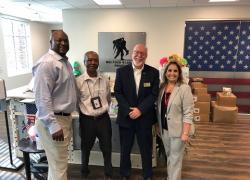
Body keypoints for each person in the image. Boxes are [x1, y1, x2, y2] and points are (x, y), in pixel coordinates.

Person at [32, 30, 77, 180]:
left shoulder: (65, 62)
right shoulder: (47, 63)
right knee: (59, 167)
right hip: (55, 121)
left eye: (66, 40)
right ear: (50, 42)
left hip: (63, 119)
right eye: (59, 40)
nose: (63, 43)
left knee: (57, 165)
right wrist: (53, 125)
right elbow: (42, 98)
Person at [114, 44, 159, 180]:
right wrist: (129, 110)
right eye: (136, 52)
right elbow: (117, 92)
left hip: (144, 118)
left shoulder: (153, 72)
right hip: (126, 118)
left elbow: (153, 94)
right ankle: (125, 174)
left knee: (146, 150)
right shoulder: (121, 71)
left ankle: (147, 175)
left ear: (146, 55)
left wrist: (140, 110)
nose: (139, 55)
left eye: (142, 53)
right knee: (125, 149)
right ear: (131, 53)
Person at [76, 51, 113, 180]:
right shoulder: (78, 81)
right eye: (89, 60)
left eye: (95, 60)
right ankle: (84, 173)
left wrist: (101, 110)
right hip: (87, 121)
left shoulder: (104, 80)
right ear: (84, 62)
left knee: (107, 148)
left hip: (103, 119)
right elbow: (76, 101)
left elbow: (108, 99)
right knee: (85, 149)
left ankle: (108, 174)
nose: (92, 62)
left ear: (98, 62)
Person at [156, 60, 194, 180]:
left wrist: (185, 133)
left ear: (179, 73)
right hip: (165, 130)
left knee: (176, 159)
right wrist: (158, 125)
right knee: (169, 156)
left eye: (175, 71)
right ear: (165, 72)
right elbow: (159, 109)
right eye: (169, 70)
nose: (172, 73)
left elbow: (188, 112)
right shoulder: (162, 88)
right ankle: (170, 177)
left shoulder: (184, 88)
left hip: (179, 131)